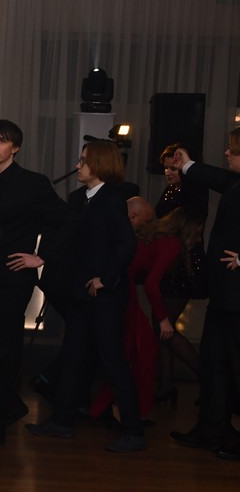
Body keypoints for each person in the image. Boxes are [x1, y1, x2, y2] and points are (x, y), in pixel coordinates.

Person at [26, 140, 144, 453]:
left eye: (83, 161)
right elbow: (68, 237)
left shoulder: (113, 200)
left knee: (113, 362)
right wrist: (44, 258)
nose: (78, 166)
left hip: (104, 298)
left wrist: (106, 279)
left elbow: (126, 244)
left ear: (100, 165)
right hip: (79, 294)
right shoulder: (78, 198)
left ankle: (134, 431)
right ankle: (62, 420)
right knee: (72, 357)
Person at [0, 120, 69, 450]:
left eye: (2, 141)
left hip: (11, 279)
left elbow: (67, 220)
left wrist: (41, 256)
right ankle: (8, 405)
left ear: (16, 147)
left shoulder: (33, 183)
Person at [168, 128, 240, 459]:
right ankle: (212, 430)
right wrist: (186, 164)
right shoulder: (234, 182)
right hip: (224, 295)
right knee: (214, 366)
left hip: (237, 298)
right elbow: (214, 177)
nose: (226, 153)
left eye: (233, 150)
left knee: (234, 368)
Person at [88, 197, 180, 421]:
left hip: (119, 294)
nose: (147, 226)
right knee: (137, 352)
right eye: (146, 221)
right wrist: (163, 319)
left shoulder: (133, 237)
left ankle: (117, 409)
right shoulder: (171, 244)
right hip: (122, 295)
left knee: (127, 351)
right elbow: (150, 284)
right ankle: (126, 412)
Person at [153, 143, 207, 402]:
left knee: (164, 325)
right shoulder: (171, 189)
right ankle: (166, 386)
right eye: (165, 168)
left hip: (182, 264)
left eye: (173, 168)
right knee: (163, 327)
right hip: (170, 263)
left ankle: (209, 381)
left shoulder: (193, 190)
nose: (168, 172)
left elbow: (186, 228)